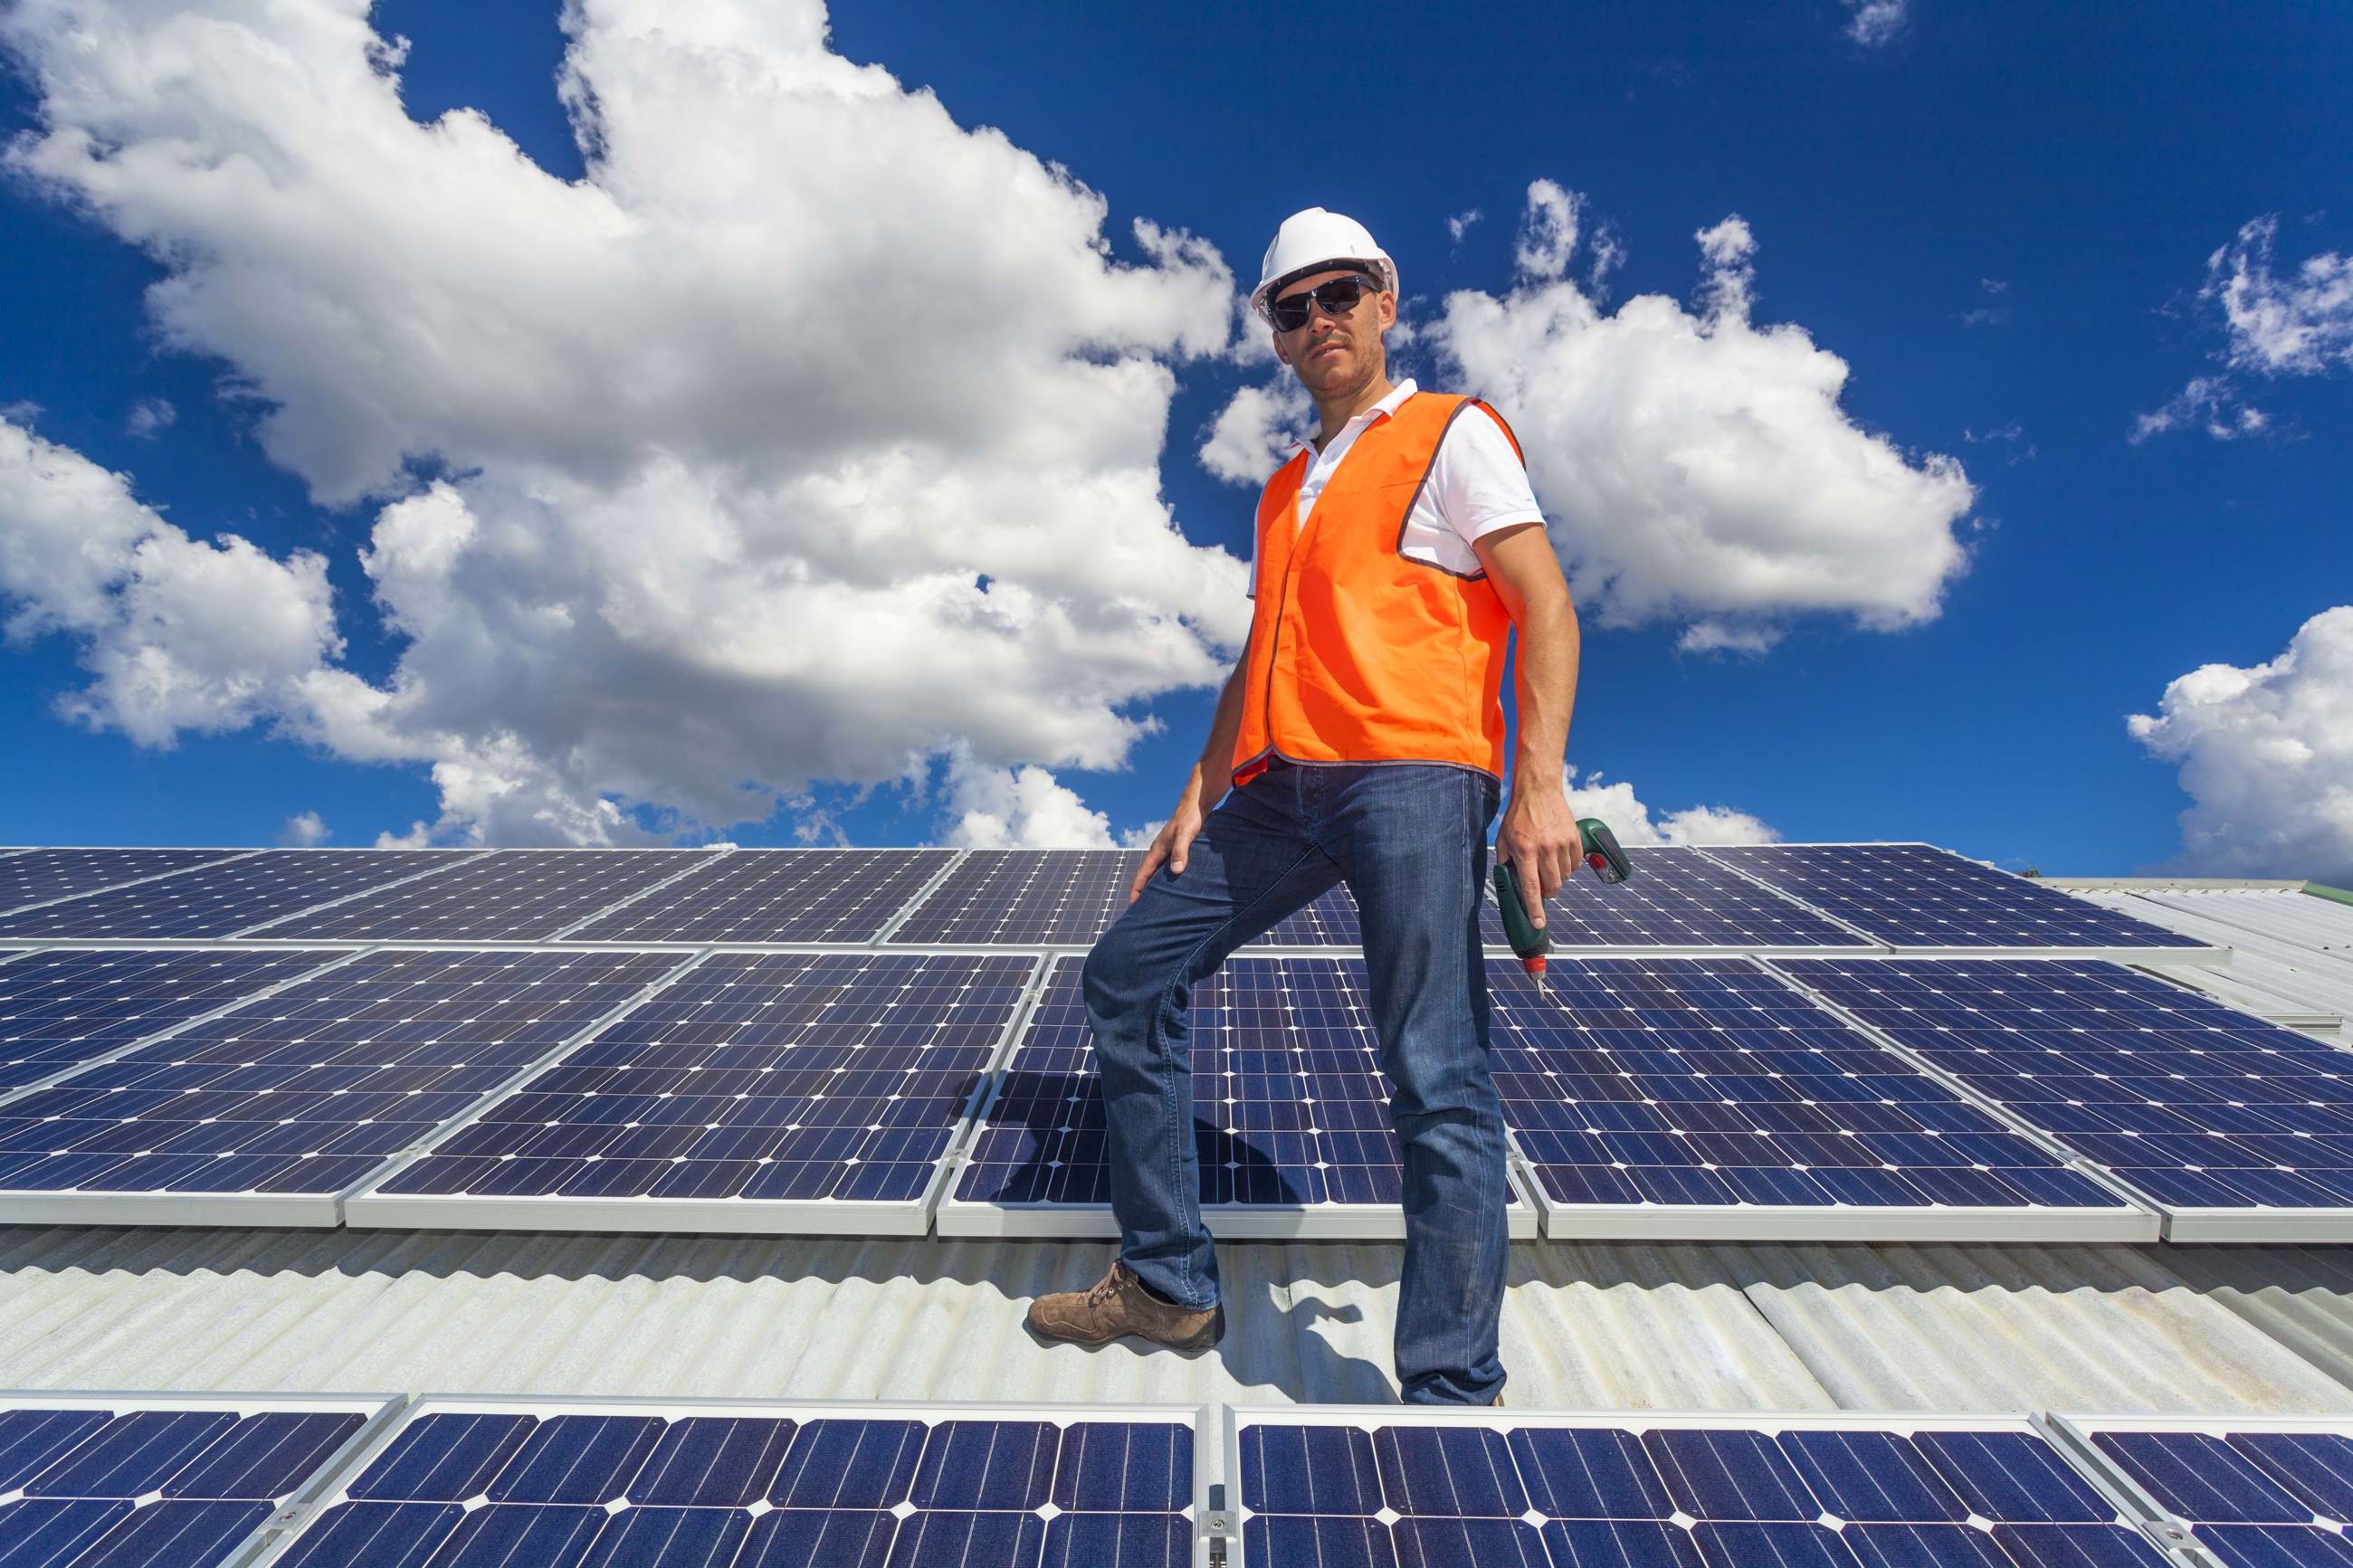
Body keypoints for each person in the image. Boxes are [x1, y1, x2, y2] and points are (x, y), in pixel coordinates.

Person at [1025, 207, 1582, 1406]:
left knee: (1435, 1067)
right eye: (1293, 306)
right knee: (1129, 968)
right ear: (1276, 337)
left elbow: (1544, 599)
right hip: (1280, 790)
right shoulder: (1287, 490)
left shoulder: (1450, 433)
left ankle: (1447, 1379)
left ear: (1385, 301)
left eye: (1339, 295)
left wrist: (1537, 785)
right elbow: (1256, 653)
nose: (1319, 319)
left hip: (1414, 775)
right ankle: (1169, 1277)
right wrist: (1196, 788)